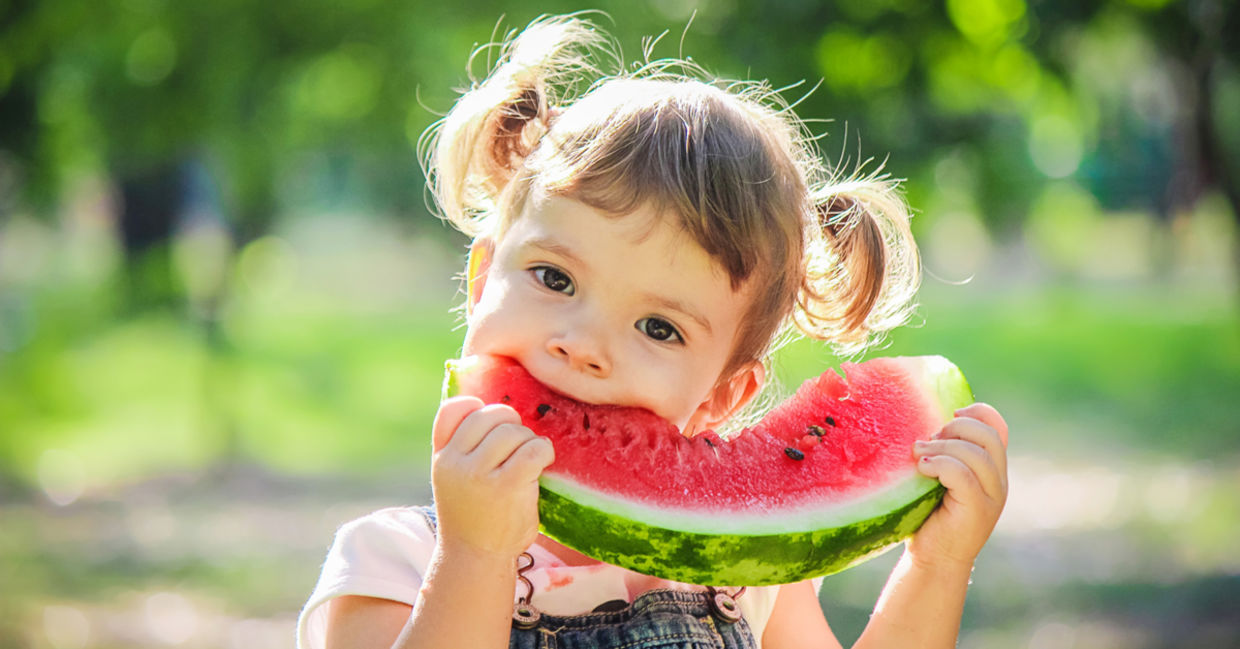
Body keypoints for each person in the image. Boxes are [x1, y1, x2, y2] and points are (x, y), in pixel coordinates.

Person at [297, 14, 1009, 649]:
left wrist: (937, 566)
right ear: (482, 279)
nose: (583, 343)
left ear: (723, 396)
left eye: (658, 327)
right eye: (554, 279)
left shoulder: (743, 571)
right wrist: (475, 557)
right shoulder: (392, 560)